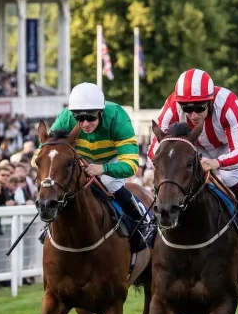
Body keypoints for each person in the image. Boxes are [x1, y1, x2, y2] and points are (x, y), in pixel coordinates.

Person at [148, 68, 238, 248]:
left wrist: (217, 162)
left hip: (226, 148)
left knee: (230, 177)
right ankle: (155, 222)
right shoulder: (172, 105)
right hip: (193, 149)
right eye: (187, 109)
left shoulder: (228, 104)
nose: (193, 115)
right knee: (170, 176)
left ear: (210, 100)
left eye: (199, 108)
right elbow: (154, 148)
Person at [39, 82, 153, 252]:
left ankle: (142, 220)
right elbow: (46, 151)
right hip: (80, 156)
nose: (85, 123)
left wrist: (103, 168)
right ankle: (52, 224)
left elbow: (131, 165)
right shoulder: (66, 117)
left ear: (100, 112)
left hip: (110, 158)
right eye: (79, 118)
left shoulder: (117, 117)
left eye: (90, 117)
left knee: (110, 183)